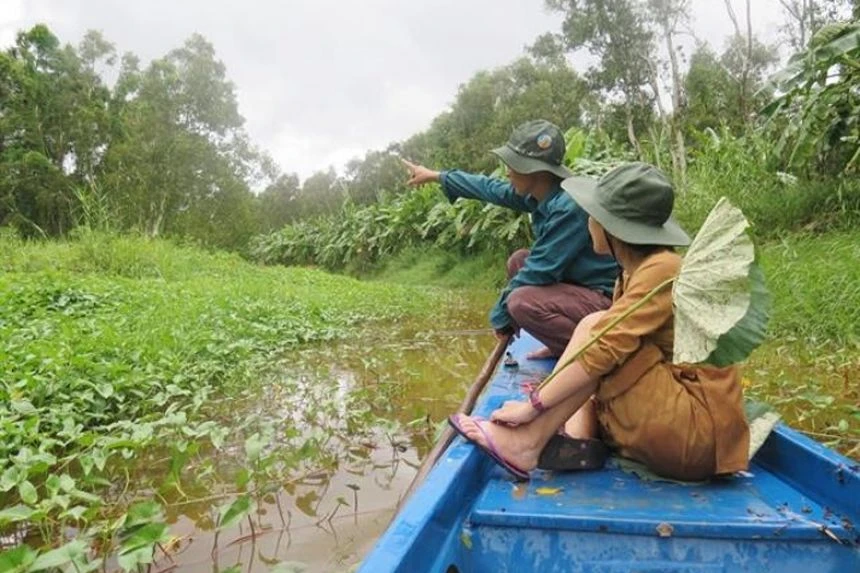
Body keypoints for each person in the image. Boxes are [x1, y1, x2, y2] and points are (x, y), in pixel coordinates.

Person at [449, 162, 750, 481]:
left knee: (596, 329)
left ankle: (527, 442)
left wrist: (532, 407)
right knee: (597, 330)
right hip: (675, 424)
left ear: (612, 226)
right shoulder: (636, 268)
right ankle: (577, 439)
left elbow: (604, 345)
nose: (588, 221)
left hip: (694, 435)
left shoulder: (664, 268)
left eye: (593, 214)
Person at [402, 120, 618, 359]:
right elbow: (489, 188)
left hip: (604, 301)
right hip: (579, 287)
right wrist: (437, 176)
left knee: (520, 302)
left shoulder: (569, 206)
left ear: (534, 171)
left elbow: (541, 270)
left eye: (513, 166)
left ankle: (592, 356)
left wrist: (501, 315)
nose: (507, 172)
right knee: (519, 261)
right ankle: (562, 345)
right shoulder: (542, 193)